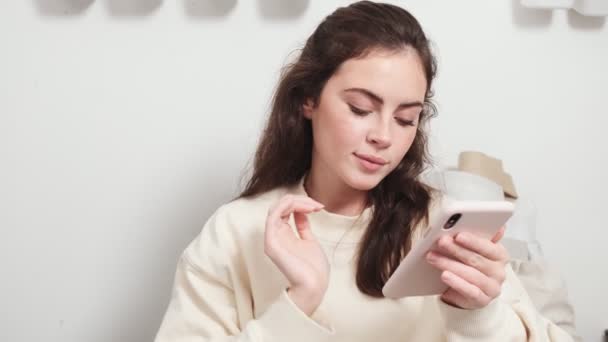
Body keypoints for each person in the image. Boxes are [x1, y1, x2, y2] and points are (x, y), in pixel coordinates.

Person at [154, 2, 575, 341]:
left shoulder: (442, 227)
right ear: (308, 100)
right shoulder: (235, 232)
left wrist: (478, 316)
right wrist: (299, 303)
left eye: (406, 118)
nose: (383, 136)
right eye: (360, 109)